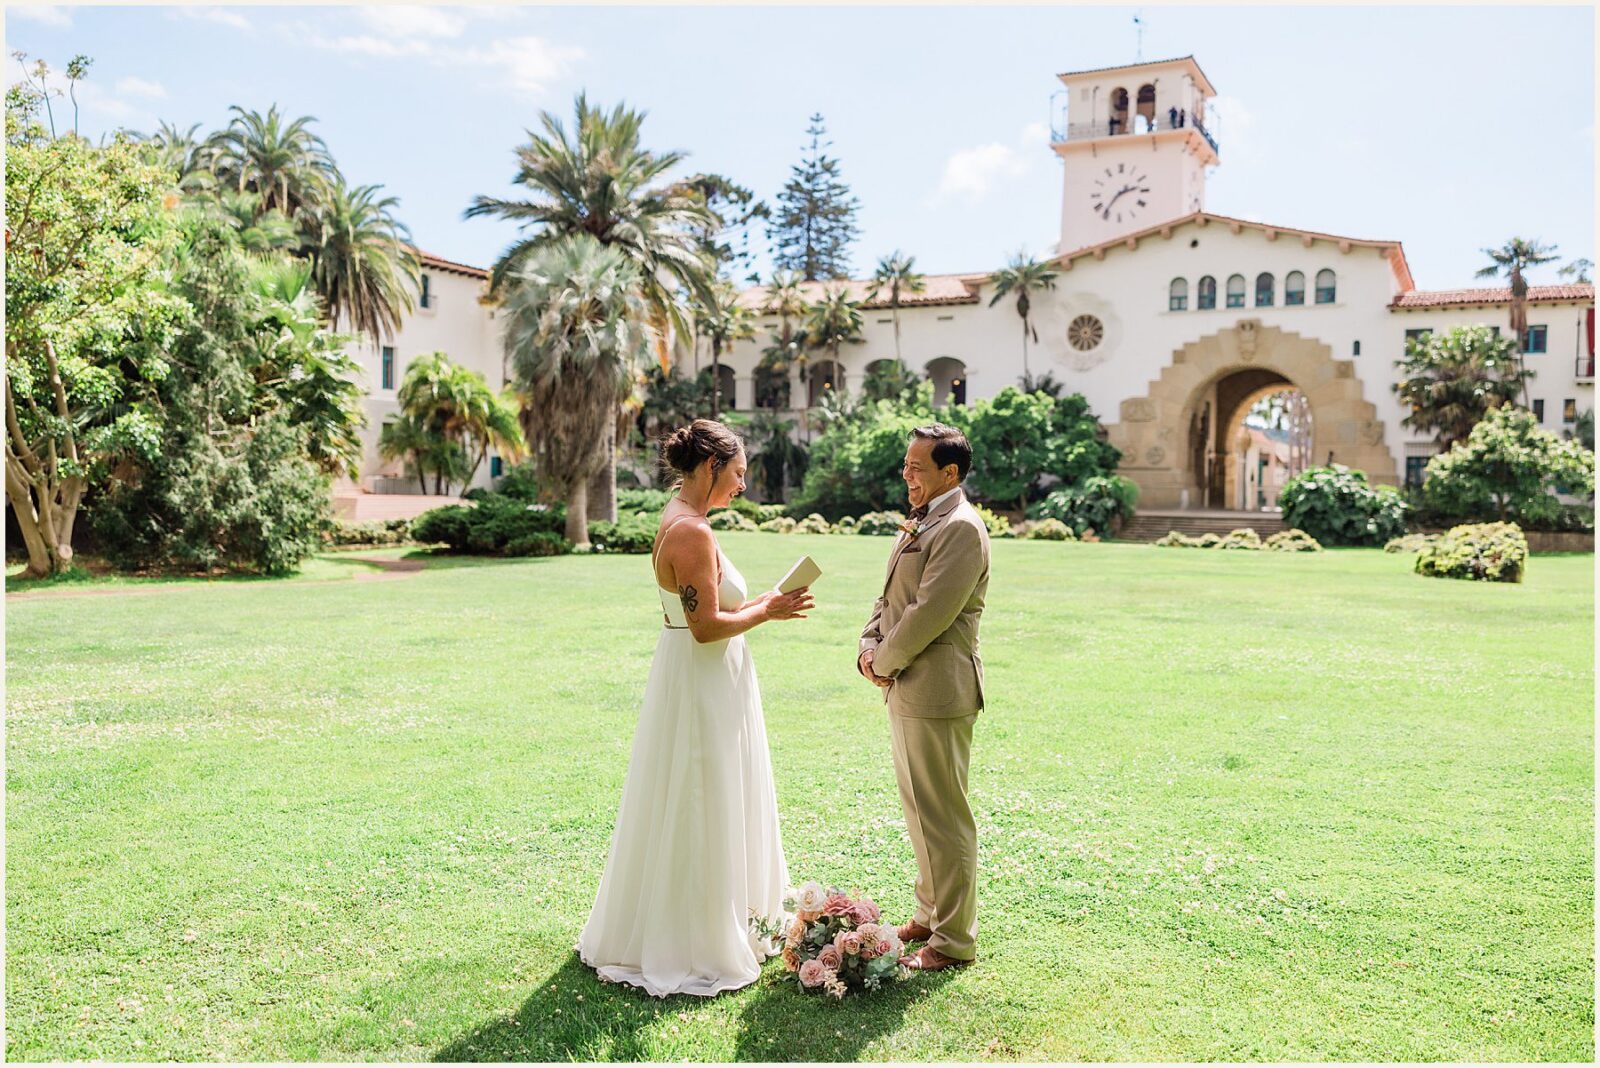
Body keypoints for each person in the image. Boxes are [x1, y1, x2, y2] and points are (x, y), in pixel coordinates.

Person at [577, 419, 814, 997]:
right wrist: (769, 614)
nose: (741, 485)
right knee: (699, 795)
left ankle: (731, 909)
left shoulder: (687, 518)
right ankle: (698, 934)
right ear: (711, 466)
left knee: (710, 790)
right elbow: (705, 626)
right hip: (700, 677)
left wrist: (762, 599)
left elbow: (715, 603)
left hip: (708, 676)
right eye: (737, 474)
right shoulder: (692, 533)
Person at [858, 424, 990, 972]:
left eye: (917, 467)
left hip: (936, 690)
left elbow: (928, 615)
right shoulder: (924, 518)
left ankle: (954, 940)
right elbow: (892, 598)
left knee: (944, 816)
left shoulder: (960, 528)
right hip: (904, 686)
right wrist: (868, 645)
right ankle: (930, 913)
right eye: (906, 466)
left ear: (949, 473)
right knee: (919, 810)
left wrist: (883, 661)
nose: (906, 475)